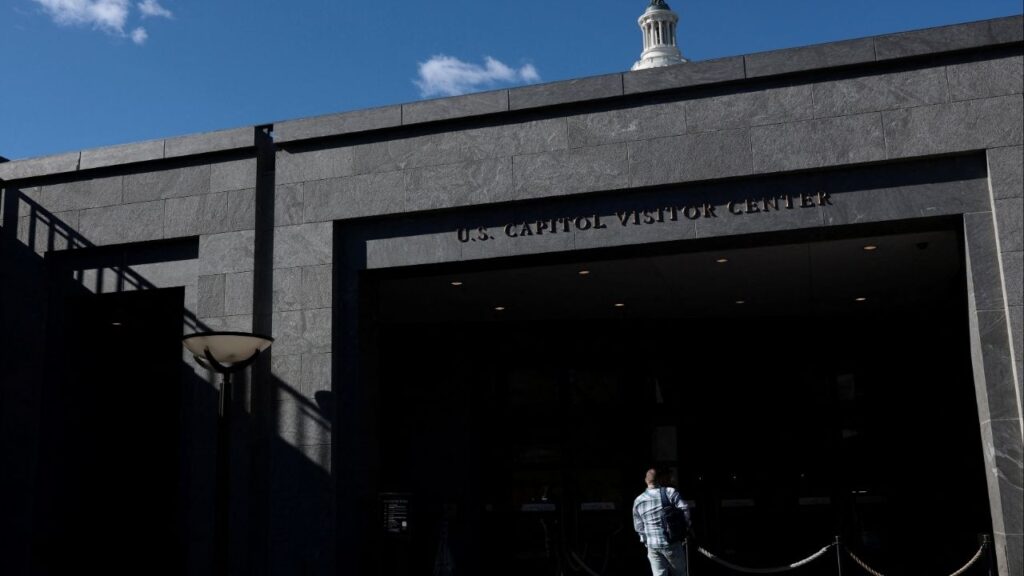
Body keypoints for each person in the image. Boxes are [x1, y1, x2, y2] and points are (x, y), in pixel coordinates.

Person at [632, 468, 691, 576]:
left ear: (646, 481)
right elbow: (685, 509)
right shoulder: (670, 492)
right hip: (671, 543)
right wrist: (685, 528)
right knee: (679, 573)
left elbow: (638, 526)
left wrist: (646, 541)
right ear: (659, 480)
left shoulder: (638, 500)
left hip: (652, 546)